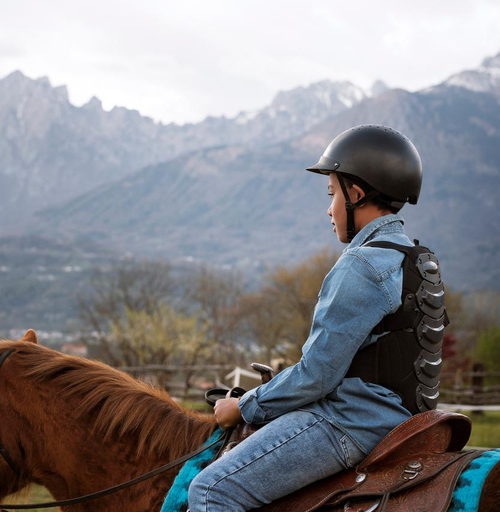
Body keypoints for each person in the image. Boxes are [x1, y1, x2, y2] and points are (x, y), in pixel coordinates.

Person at [188, 124, 446, 511]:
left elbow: (316, 375)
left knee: (210, 490)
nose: (329, 209)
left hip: (352, 424)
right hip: (406, 422)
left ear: (355, 194)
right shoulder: (417, 259)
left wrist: (243, 406)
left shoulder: (362, 265)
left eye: (332, 194)